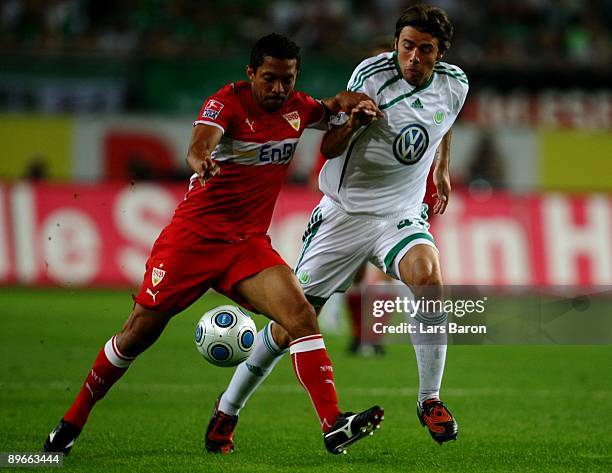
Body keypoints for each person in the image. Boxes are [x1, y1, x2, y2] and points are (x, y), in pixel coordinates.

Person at [43, 33, 384, 457]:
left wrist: (356, 104)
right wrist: (201, 160)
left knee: (300, 316)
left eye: (287, 79)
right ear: (250, 74)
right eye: (270, 79)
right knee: (135, 337)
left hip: (247, 246)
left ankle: (333, 423)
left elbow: (334, 105)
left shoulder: (298, 107)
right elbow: (201, 141)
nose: (279, 89)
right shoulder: (228, 102)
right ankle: (72, 421)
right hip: (193, 242)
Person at [207, 4, 468, 452]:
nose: (413, 58)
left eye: (425, 50)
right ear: (396, 44)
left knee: (429, 283)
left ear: (439, 54)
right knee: (291, 323)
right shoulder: (370, 77)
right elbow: (328, 144)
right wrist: (354, 125)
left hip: (400, 213)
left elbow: (442, 122)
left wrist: (441, 169)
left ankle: (430, 399)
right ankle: (226, 411)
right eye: (406, 46)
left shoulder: (455, 83)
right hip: (345, 214)